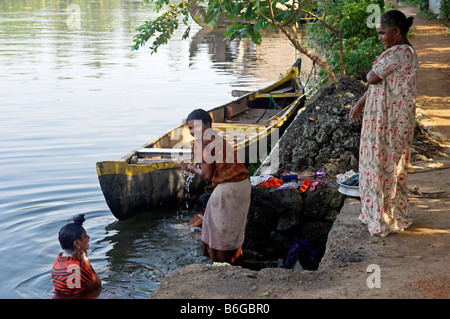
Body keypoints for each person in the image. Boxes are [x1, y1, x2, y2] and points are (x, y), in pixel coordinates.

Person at [349, 10, 418, 236]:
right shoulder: (396, 53)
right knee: (382, 164)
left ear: (396, 32)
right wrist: (360, 103)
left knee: (386, 165)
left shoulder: (401, 53)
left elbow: (372, 77)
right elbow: (377, 85)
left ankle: (386, 217)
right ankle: (381, 213)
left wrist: (372, 74)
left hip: (393, 121)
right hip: (386, 118)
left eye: (382, 33)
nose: (380, 38)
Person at [180, 109, 251, 265]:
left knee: (220, 235)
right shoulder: (217, 138)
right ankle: (237, 267)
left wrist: (191, 168)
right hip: (243, 187)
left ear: (207, 124)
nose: (193, 132)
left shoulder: (200, 143)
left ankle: (222, 271)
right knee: (233, 233)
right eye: (190, 128)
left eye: (196, 127)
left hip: (228, 190)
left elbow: (206, 174)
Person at [52, 214, 101, 297]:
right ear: (77, 243)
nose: (88, 237)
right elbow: (97, 284)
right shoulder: (79, 266)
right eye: (85, 236)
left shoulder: (58, 259)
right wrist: (86, 261)